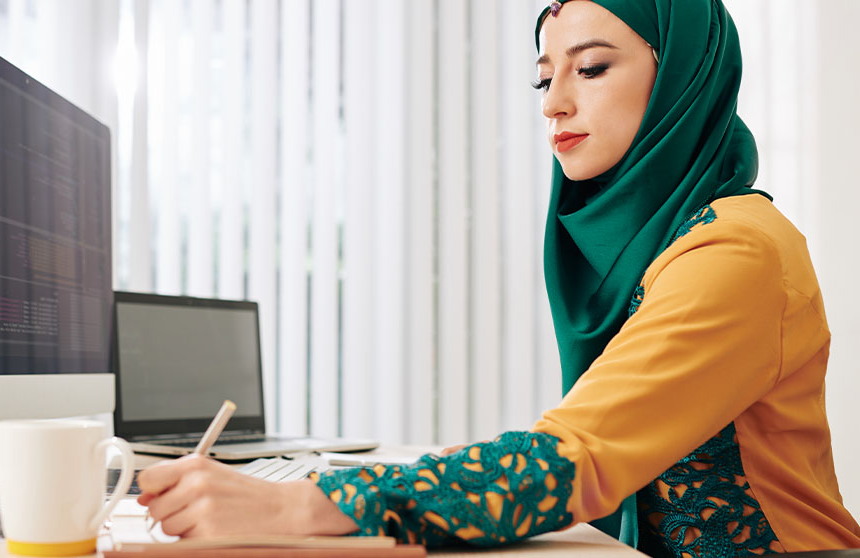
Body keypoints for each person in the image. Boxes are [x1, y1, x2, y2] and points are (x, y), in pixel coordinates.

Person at [136, 0, 860, 555]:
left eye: (592, 67)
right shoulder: (659, 248)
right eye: (544, 77)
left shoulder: (736, 252)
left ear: (679, 74)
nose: (552, 104)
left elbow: (575, 460)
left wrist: (296, 505)